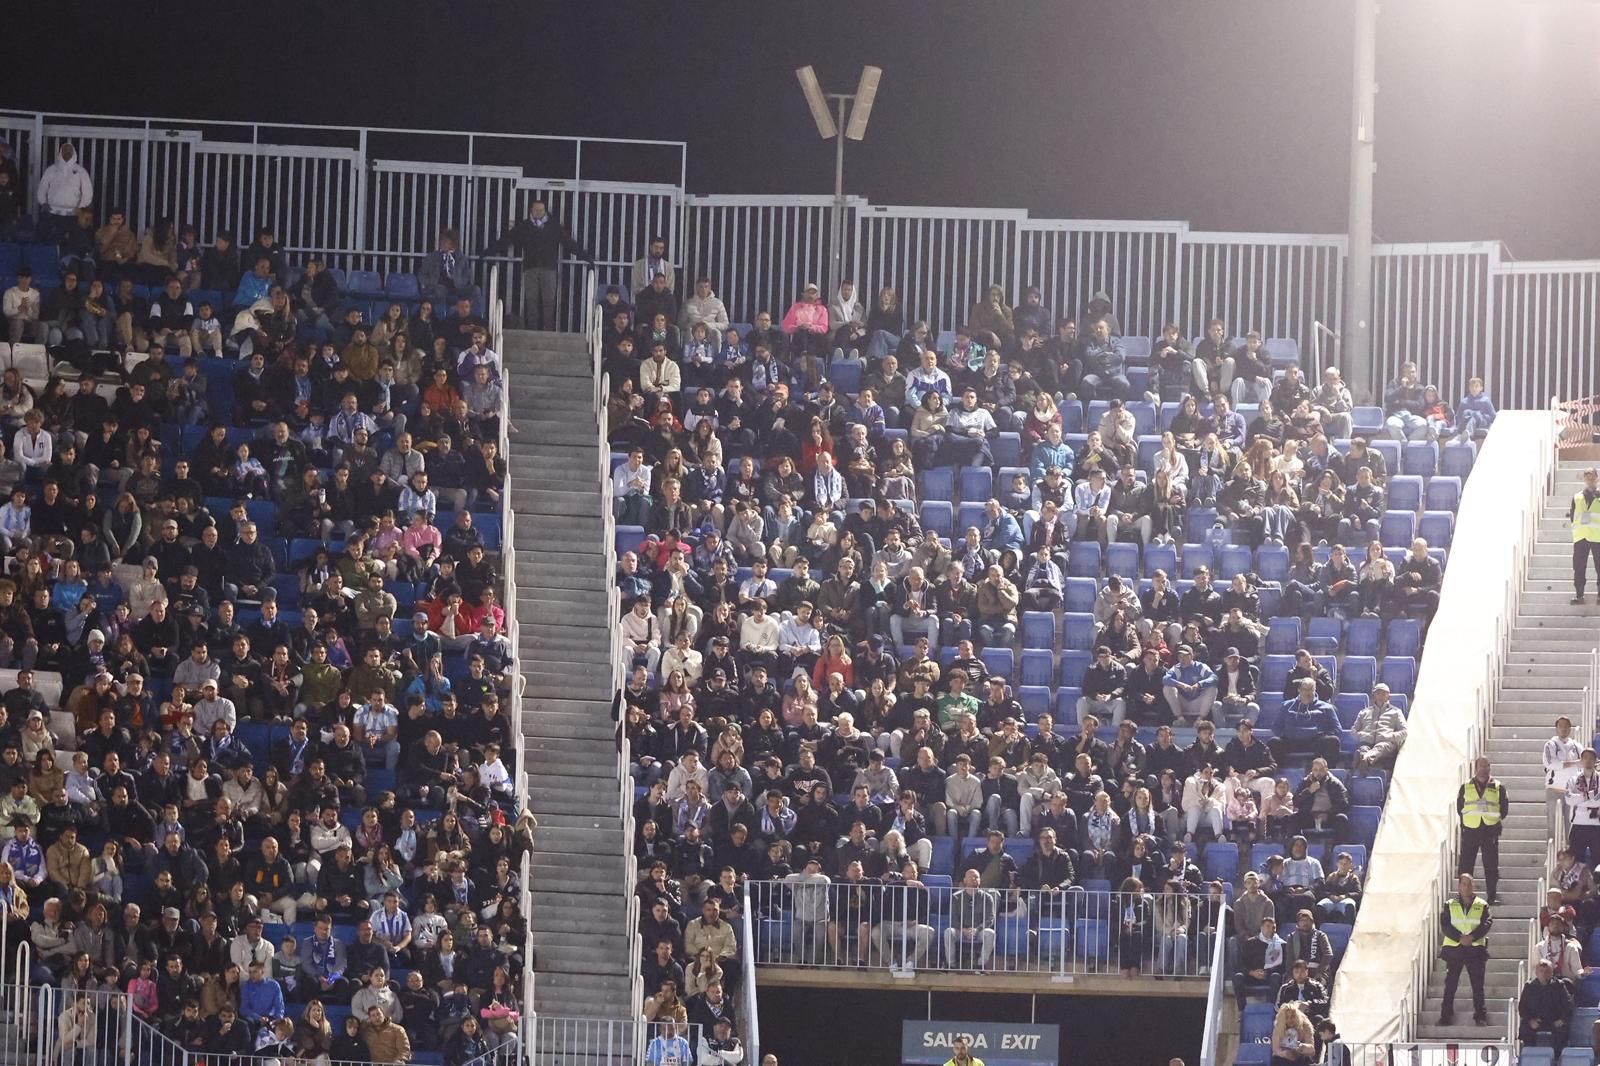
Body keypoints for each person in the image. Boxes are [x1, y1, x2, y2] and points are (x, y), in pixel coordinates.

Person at [487, 198, 592, 332]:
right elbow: (507, 240)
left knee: (549, 301)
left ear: (545, 210)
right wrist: (489, 251)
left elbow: (569, 243)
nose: (538, 212)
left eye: (541, 210)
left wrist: (585, 257)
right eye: (536, 210)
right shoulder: (524, 227)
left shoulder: (554, 226)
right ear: (531, 210)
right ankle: (532, 330)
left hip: (549, 269)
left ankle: (548, 331)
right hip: (530, 269)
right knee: (531, 301)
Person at [1438, 872, 1492, 1026]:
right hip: (1454, 949)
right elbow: (1445, 925)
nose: (1467, 887)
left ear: (1473, 886)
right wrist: (1459, 937)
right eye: (1464, 884)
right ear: (1459, 886)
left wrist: (1473, 937)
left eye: (1470, 884)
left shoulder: (1482, 904)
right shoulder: (1449, 904)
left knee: (1477, 986)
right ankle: (1445, 1016)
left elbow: (1487, 923)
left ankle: (1480, 1016)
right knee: (1450, 985)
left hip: (1475, 950)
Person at [1457, 756, 1506, 904]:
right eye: (1481, 766)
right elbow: (1460, 808)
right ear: (1475, 768)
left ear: (1490, 768)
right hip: (1471, 830)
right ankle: (1463, 897)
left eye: (1486, 766)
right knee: (1466, 865)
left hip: (1490, 831)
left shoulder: (1498, 786)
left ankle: (1491, 896)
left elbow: (1504, 809)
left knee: (1491, 865)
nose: (1484, 769)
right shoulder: (1465, 786)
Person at [1518, 958, 1572, 1053]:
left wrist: (1562, 1019)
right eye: (1541, 971)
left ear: (1552, 972)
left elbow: (1568, 1005)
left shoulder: (1559, 986)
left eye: (1547, 971)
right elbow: (1522, 1008)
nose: (1544, 974)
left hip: (1554, 1020)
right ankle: (1529, 1055)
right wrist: (1530, 1020)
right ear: (1536, 972)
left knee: (1562, 1031)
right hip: (1536, 1020)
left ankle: (1557, 1057)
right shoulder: (1529, 987)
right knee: (1525, 1028)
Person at [1570, 467, 1600, 605]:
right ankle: (1579, 595)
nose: (1590, 480)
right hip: (1581, 537)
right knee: (1579, 567)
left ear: (1597, 478)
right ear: (1584, 479)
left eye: (1592, 477)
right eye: (1587, 478)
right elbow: (1572, 516)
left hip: (1597, 537)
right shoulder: (1577, 497)